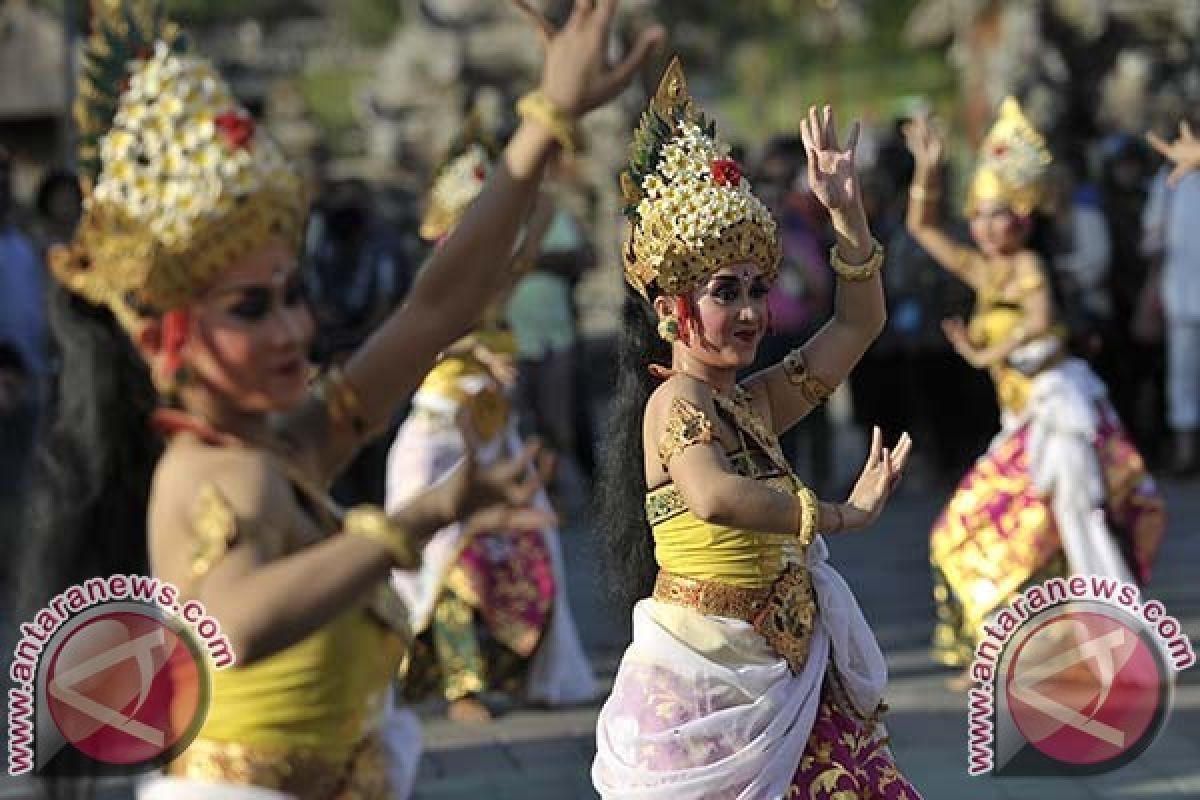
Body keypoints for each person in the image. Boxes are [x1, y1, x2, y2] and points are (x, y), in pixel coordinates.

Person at [16, 1, 663, 797]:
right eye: (252, 308)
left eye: (292, 294)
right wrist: (417, 519)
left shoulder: (286, 448)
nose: (294, 327)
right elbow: (232, 624)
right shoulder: (204, 472)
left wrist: (544, 122)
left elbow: (434, 311)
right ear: (162, 341)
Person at [592, 59, 921, 799]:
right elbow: (710, 496)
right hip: (707, 687)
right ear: (672, 307)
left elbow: (858, 322)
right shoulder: (674, 403)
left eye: (757, 290)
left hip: (791, 672)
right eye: (724, 292)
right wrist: (839, 514)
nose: (748, 312)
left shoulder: (755, 402)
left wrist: (847, 216)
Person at [904, 100, 1166, 676]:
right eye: (978, 214)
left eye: (997, 213)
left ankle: (1118, 643)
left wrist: (982, 352)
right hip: (1020, 422)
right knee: (969, 528)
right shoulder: (984, 270)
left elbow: (1043, 330)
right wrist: (929, 167)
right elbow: (921, 228)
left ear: (1023, 217)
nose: (983, 226)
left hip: (1058, 410)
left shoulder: (1030, 269)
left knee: (1079, 523)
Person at [386, 117, 596, 723]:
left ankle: (524, 671)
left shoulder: (499, 283)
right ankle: (460, 686)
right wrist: (472, 351)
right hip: (439, 440)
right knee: (448, 561)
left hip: (496, 437)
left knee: (532, 552)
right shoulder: (435, 288)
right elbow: (404, 349)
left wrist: (549, 141)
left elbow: (536, 227)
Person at [1144, 118, 1200, 475]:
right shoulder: (1169, 184)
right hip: (1182, 299)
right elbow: (1153, 240)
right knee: (1182, 379)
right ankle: (1186, 453)